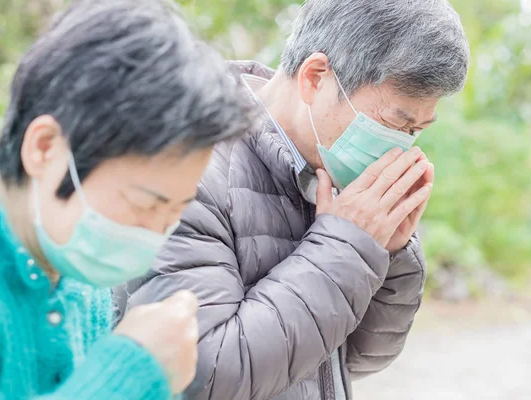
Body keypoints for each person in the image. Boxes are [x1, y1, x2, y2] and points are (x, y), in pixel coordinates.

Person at [117, 0, 470, 399]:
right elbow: (202, 375)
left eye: (416, 130)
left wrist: (386, 253)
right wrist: (348, 249)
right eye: (394, 123)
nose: (400, 147)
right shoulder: (187, 165)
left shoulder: (335, 170)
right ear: (315, 77)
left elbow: (357, 359)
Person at [0, 0, 254, 399]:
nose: (153, 238)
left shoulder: (73, 271)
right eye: (145, 205)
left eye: (175, 211)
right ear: (45, 148)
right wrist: (134, 371)